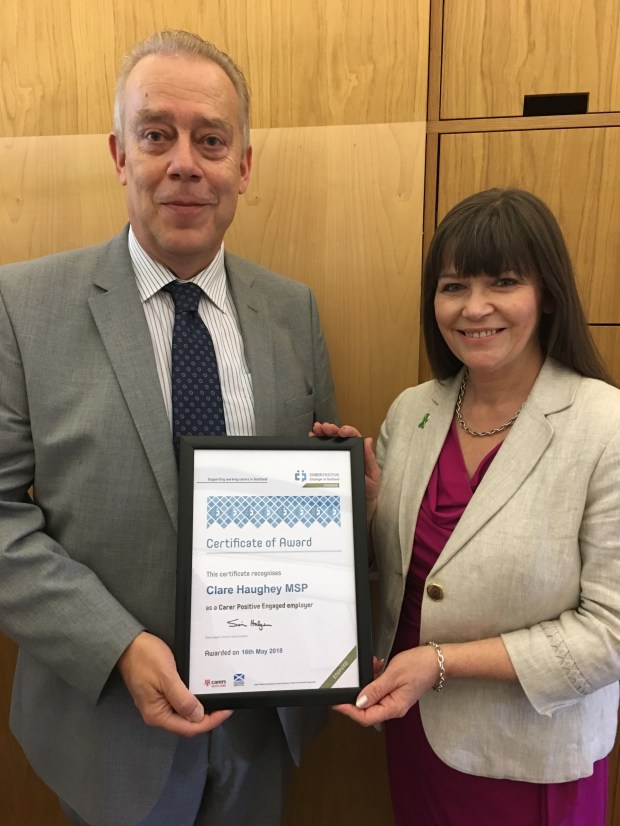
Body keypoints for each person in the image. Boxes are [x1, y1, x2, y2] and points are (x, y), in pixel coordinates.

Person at [0, 29, 337, 826]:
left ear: (243, 167)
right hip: (106, 728)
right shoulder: (23, 306)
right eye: (158, 134)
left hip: (262, 724)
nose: (185, 161)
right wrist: (117, 645)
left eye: (211, 139)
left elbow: (316, 492)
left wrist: (348, 490)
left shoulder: (294, 311)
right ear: (120, 153)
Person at [316, 188, 620, 825]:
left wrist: (443, 662)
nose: (474, 307)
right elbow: (416, 575)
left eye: (503, 282)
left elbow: (610, 634)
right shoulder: (414, 410)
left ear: (547, 293)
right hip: (415, 729)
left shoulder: (604, 425)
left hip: (529, 757)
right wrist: (367, 509)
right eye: (454, 286)